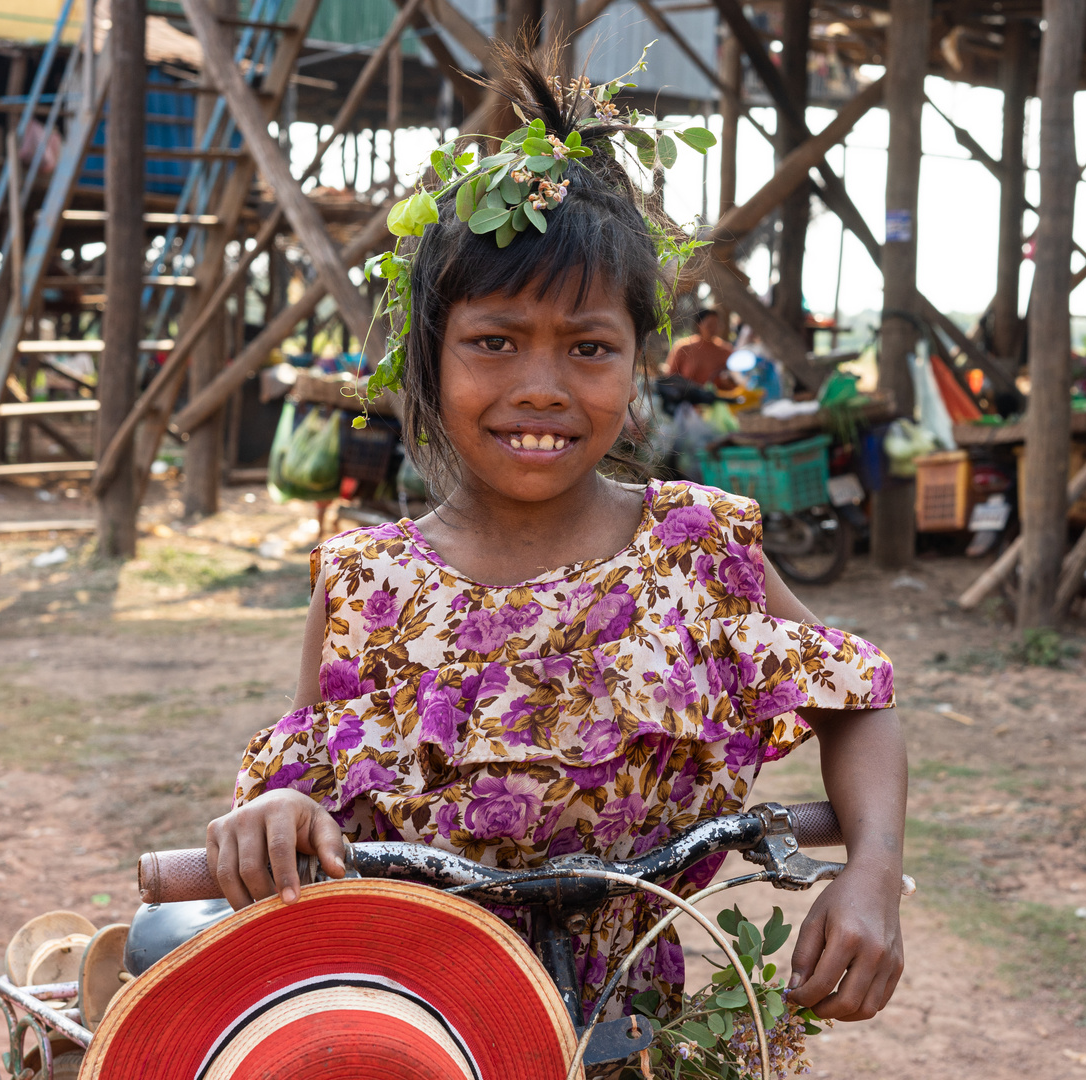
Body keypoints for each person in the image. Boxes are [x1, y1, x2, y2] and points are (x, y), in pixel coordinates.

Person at [204, 48, 907, 1042]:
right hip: (408, 1029)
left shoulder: (695, 551)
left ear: (636, 366)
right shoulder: (367, 584)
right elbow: (301, 790)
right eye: (495, 341)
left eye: (588, 347)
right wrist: (276, 820)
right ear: (428, 357)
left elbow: (858, 698)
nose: (542, 386)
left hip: (631, 1029)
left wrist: (872, 870)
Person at [665, 307, 734, 386]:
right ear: (698, 325)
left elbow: (734, 378)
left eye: (717, 325)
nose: (714, 328)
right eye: (710, 325)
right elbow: (670, 378)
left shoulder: (726, 351)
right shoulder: (683, 348)